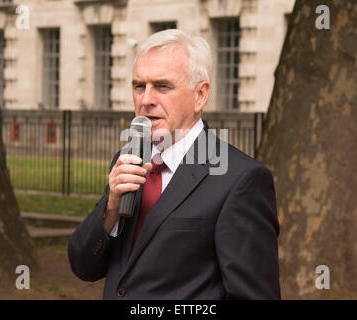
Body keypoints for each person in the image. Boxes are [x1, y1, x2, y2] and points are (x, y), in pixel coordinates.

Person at [68, 29, 280, 299]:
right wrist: (111, 208)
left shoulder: (240, 179)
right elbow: (83, 266)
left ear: (200, 95)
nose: (146, 100)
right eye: (138, 86)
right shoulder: (128, 161)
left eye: (162, 86)